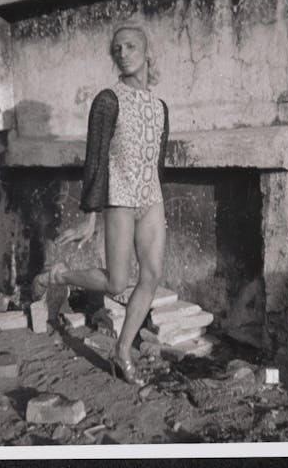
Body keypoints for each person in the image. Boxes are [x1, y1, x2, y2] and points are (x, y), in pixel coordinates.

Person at [33, 23, 169, 386]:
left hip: (151, 198)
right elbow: (94, 160)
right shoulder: (108, 101)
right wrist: (91, 217)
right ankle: (59, 275)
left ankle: (122, 351)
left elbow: (158, 161)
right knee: (116, 283)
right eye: (117, 49)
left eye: (130, 46)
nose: (123, 53)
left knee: (152, 276)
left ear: (147, 52)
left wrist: (157, 203)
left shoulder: (160, 107)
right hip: (119, 198)